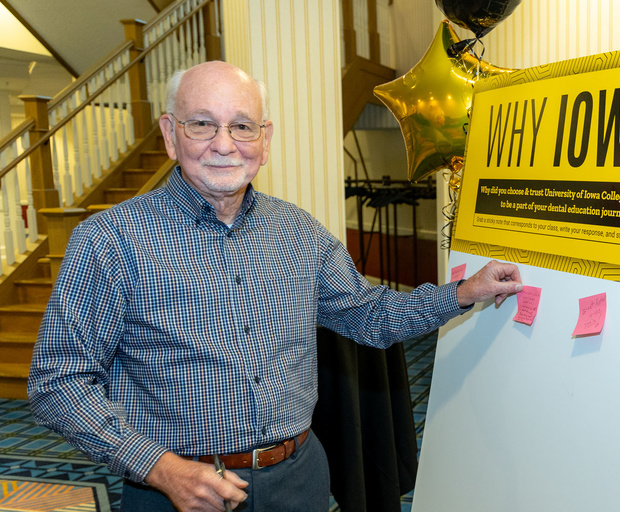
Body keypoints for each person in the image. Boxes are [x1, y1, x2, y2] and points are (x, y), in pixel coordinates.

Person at [28, 61, 523, 512]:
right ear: (169, 134)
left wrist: (461, 292)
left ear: (264, 140)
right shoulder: (110, 239)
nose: (224, 144)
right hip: (180, 493)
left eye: (242, 126)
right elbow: (57, 382)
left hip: (299, 481)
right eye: (202, 123)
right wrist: (159, 467)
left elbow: (369, 315)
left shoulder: (299, 233)